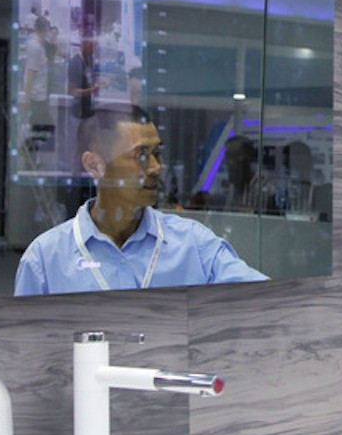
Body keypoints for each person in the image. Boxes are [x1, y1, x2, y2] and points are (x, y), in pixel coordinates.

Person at [14, 105, 265, 294]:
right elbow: (24, 342)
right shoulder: (46, 260)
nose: (156, 168)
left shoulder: (194, 246)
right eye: (141, 155)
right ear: (94, 165)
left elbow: (265, 299)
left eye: (157, 154)